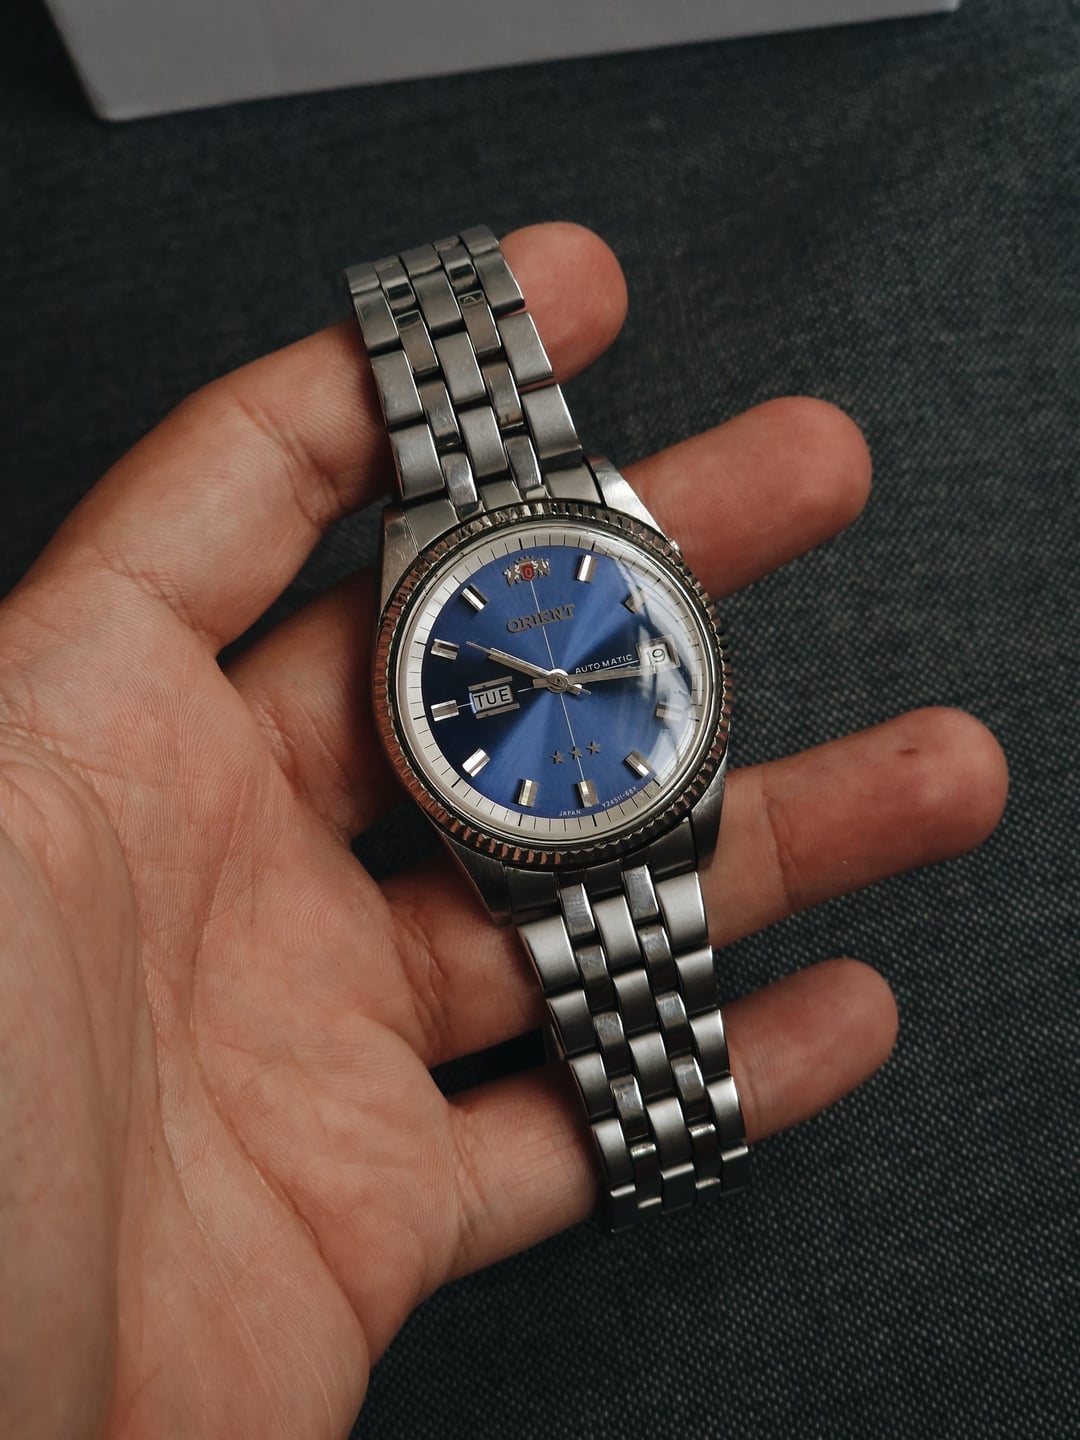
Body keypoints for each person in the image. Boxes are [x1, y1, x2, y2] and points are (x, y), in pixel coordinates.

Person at [0, 224, 1007, 1439]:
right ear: (398, 718)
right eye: (531, 681)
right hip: (539, 822)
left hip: (633, 793)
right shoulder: (432, 661)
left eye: (580, 668)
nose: (563, 681)